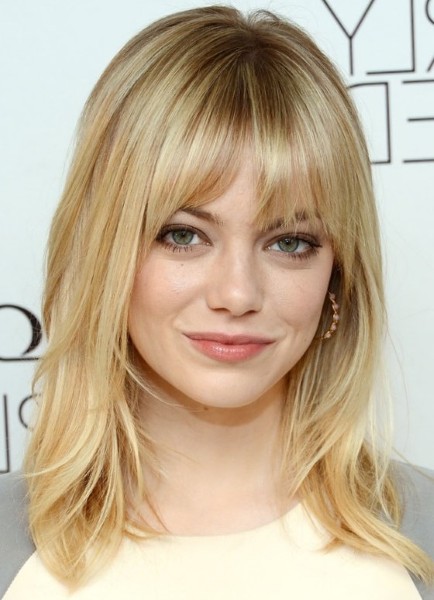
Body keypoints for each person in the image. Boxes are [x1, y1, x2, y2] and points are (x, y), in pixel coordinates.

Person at [1, 5, 433, 598]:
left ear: (336, 277)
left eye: (290, 242)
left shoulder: (420, 533)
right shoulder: (12, 548)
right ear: (106, 251)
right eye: (183, 235)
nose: (237, 293)